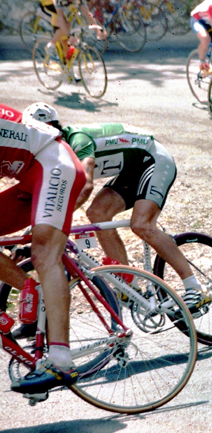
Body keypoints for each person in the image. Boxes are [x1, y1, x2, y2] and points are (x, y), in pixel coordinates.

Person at [21, 103, 212, 318]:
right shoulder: (49, 153)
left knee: (141, 225)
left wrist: (52, 222)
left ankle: (194, 287)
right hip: (132, 169)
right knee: (97, 214)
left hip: (153, 158)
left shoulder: (77, 140)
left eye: (47, 129)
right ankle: (130, 286)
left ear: (56, 128)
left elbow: (86, 186)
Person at [0, 102, 86, 394]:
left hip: (54, 163)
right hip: (32, 175)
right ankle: (33, 293)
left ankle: (61, 360)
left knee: (44, 254)